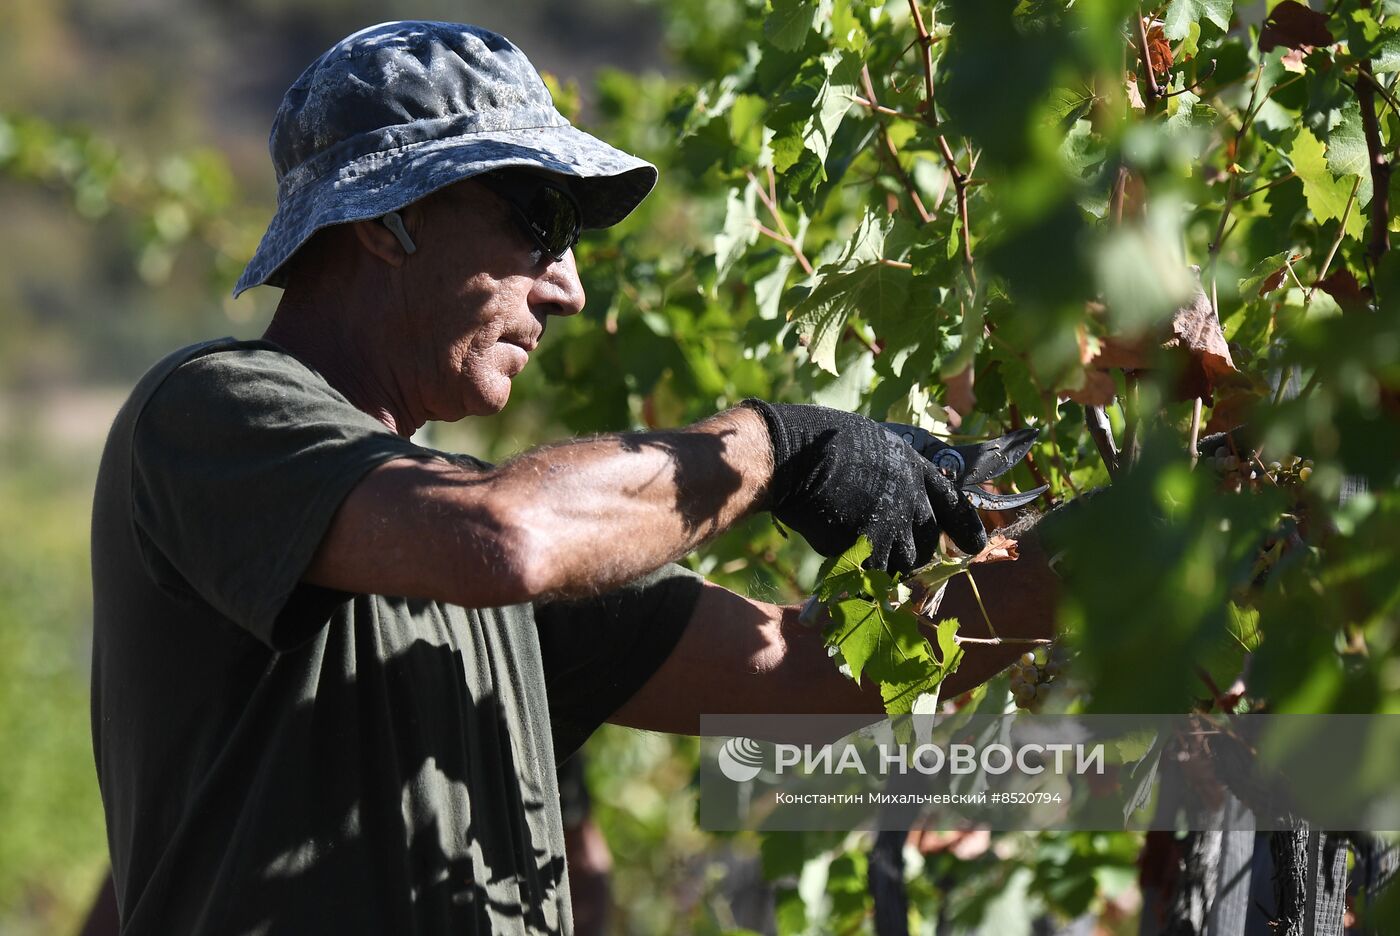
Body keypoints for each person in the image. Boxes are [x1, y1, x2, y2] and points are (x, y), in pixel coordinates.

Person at [89, 20, 1057, 935]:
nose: (568, 287)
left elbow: (809, 681)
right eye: (540, 220)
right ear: (390, 216)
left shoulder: (470, 544)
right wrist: (773, 448)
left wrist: (1109, 546)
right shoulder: (210, 413)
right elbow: (506, 538)